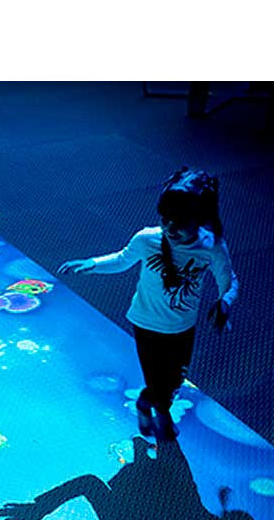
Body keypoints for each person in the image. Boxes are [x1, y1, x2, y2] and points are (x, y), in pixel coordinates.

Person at [58, 166, 237, 441]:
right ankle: (161, 415)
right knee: (157, 382)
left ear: (199, 219)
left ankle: (144, 404)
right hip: (146, 324)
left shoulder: (211, 246)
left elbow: (229, 280)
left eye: (180, 222)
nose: (170, 229)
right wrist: (92, 263)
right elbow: (121, 260)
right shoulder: (147, 239)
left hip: (182, 328)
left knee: (174, 381)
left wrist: (224, 301)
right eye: (165, 220)